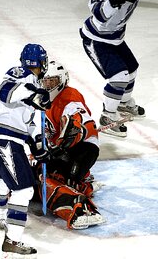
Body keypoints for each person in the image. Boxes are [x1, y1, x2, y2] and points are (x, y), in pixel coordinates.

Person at [80, 0, 158, 137]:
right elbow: (98, 12)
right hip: (96, 40)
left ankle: (124, 103)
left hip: (116, 38)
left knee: (132, 69)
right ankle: (108, 115)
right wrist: (115, 0)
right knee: (119, 77)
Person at [0, 44, 51, 257]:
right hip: (2, 136)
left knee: (1, 179)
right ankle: (13, 240)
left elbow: (25, 123)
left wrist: (37, 145)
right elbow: (5, 92)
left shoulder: (31, 83)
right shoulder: (22, 75)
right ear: (42, 63)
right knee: (23, 189)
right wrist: (34, 94)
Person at [30, 61, 105, 229]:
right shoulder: (43, 100)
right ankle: (83, 184)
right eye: (46, 81)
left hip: (83, 148)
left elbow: (75, 124)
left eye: (53, 81)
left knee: (50, 178)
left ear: (63, 80)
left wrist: (61, 145)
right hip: (64, 149)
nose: (49, 85)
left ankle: (82, 208)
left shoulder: (70, 97)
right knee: (36, 176)